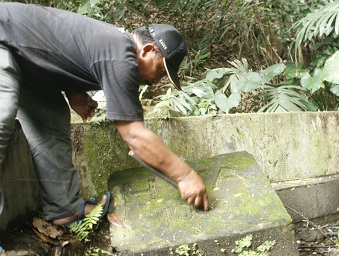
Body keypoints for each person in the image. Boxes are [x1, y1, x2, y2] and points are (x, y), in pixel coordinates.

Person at [0, 2, 209, 252]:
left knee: (51, 122)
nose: (156, 81)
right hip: (5, 39)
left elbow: (59, 48)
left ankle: (63, 210)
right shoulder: (122, 57)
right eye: (161, 71)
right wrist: (185, 176)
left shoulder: (114, 45)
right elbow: (134, 135)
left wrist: (75, 91)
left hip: (30, 64)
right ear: (148, 49)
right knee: (2, 115)